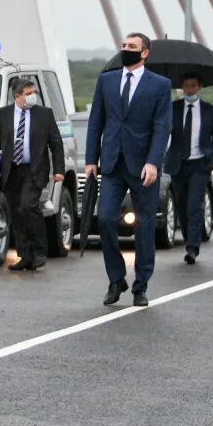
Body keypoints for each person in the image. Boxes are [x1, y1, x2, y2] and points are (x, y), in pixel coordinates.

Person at [83, 33, 172, 307]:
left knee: (145, 226)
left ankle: (140, 285)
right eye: (124, 46)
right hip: (111, 162)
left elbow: (161, 127)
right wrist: (90, 159)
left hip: (143, 166)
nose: (126, 50)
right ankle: (116, 278)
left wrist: (153, 162)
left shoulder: (159, 85)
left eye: (132, 47)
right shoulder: (106, 80)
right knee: (106, 219)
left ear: (145, 52)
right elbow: (96, 121)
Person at [0, 78, 65, 272]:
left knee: (28, 205)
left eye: (33, 93)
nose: (32, 97)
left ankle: (39, 251)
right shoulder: (2, 115)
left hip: (34, 169)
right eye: (28, 94)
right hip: (11, 170)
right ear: (17, 96)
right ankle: (25, 255)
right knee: (16, 212)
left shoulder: (44, 114)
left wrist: (59, 170)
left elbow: (55, 142)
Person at [165, 73, 213, 265]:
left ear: (199, 87)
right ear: (182, 88)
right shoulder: (173, 108)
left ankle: (192, 247)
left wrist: (212, 162)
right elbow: (162, 131)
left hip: (199, 165)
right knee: (181, 206)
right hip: (178, 164)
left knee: (194, 206)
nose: (190, 90)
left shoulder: (210, 111)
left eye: (193, 86)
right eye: (187, 86)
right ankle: (189, 237)